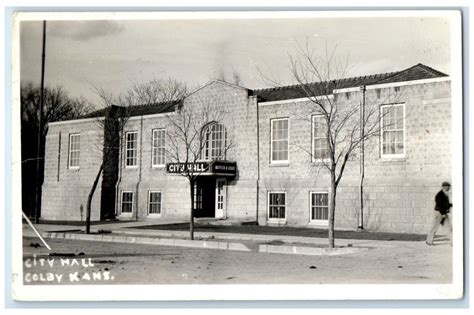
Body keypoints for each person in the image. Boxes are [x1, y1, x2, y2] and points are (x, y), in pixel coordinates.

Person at [426, 181, 452, 246]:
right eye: (447, 186)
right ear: (443, 187)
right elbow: (439, 205)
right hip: (439, 213)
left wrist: (451, 205)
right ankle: (429, 241)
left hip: (443, 213)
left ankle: (453, 241)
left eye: (449, 186)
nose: (448, 187)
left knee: (448, 227)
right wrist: (443, 213)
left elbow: (446, 204)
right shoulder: (440, 195)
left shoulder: (445, 194)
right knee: (434, 227)